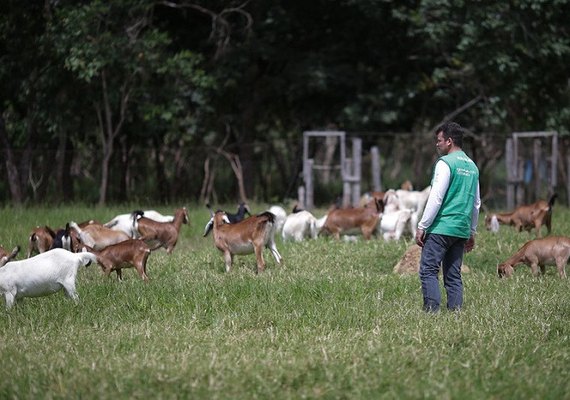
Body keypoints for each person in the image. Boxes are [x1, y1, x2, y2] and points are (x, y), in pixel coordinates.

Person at [415, 121, 481, 312]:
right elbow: (476, 203)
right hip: (460, 229)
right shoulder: (473, 167)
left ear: (449, 141)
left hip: (441, 228)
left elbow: (436, 197)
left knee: (428, 270)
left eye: (439, 140)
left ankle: (431, 312)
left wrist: (422, 225)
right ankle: (455, 312)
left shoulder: (445, 164)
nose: (437, 144)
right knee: (453, 275)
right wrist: (471, 231)